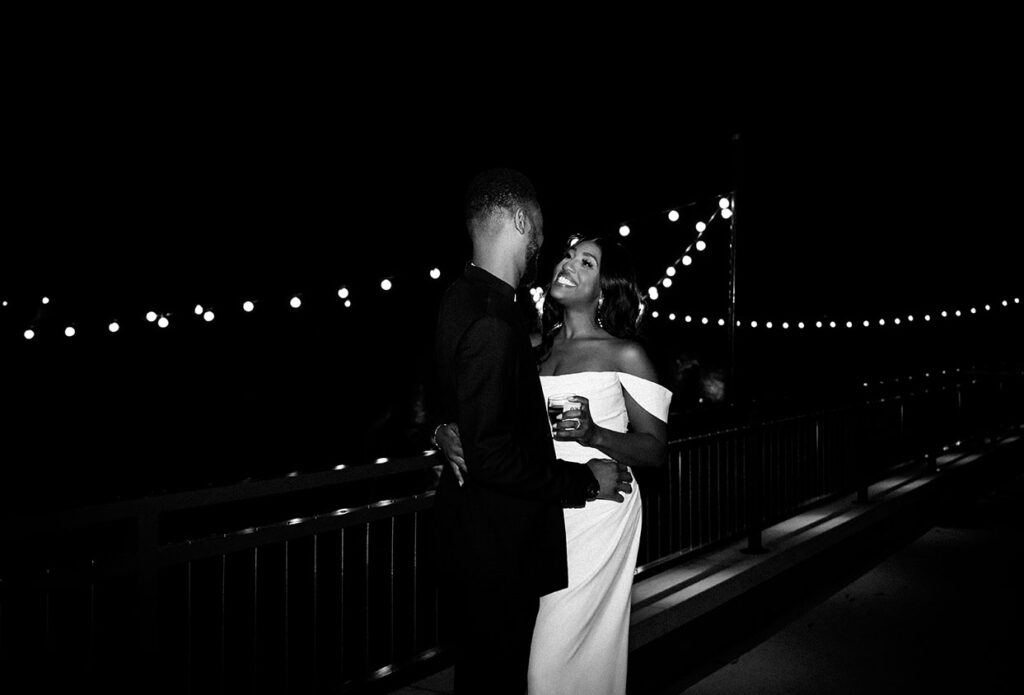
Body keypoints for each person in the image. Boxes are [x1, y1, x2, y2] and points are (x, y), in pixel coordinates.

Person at [436, 232, 671, 695]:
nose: (568, 264)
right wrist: (443, 431)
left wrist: (594, 434)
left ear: (605, 289)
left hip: (601, 508)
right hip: (539, 504)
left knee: (548, 669)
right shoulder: (531, 348)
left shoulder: (626, 354)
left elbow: (655, 449)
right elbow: (483, 414)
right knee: (536, 656)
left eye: (587, 263)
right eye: (569, 255)